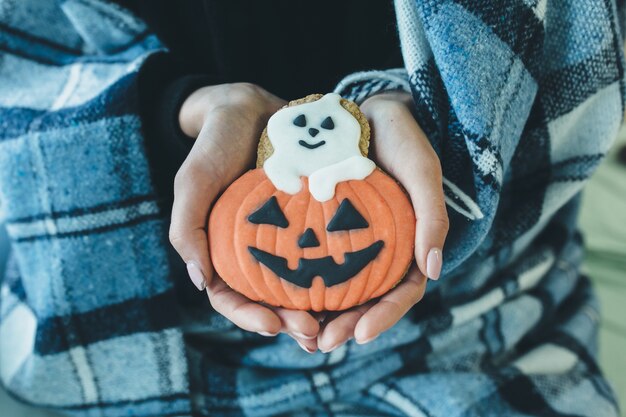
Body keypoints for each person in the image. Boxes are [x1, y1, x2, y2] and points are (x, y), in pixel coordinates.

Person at [0, 1, 622, 416]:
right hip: (131, 309)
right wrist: (176, 113)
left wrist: (428, 118)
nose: (305, 249)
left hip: (480, 306)